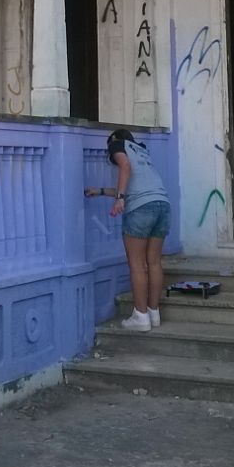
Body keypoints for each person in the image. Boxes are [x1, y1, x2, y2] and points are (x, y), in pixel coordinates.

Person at [85, 128, 171, 332]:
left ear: (115, 139)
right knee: (154, 262)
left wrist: (119, 199)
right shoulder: (142, 151)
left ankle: (140, 316)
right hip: (162, 205)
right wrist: (101, 191)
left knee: (137, 264)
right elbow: (134, 186)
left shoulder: (117, 144)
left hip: (141, 209)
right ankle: (153, 313)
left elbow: (125, 166)